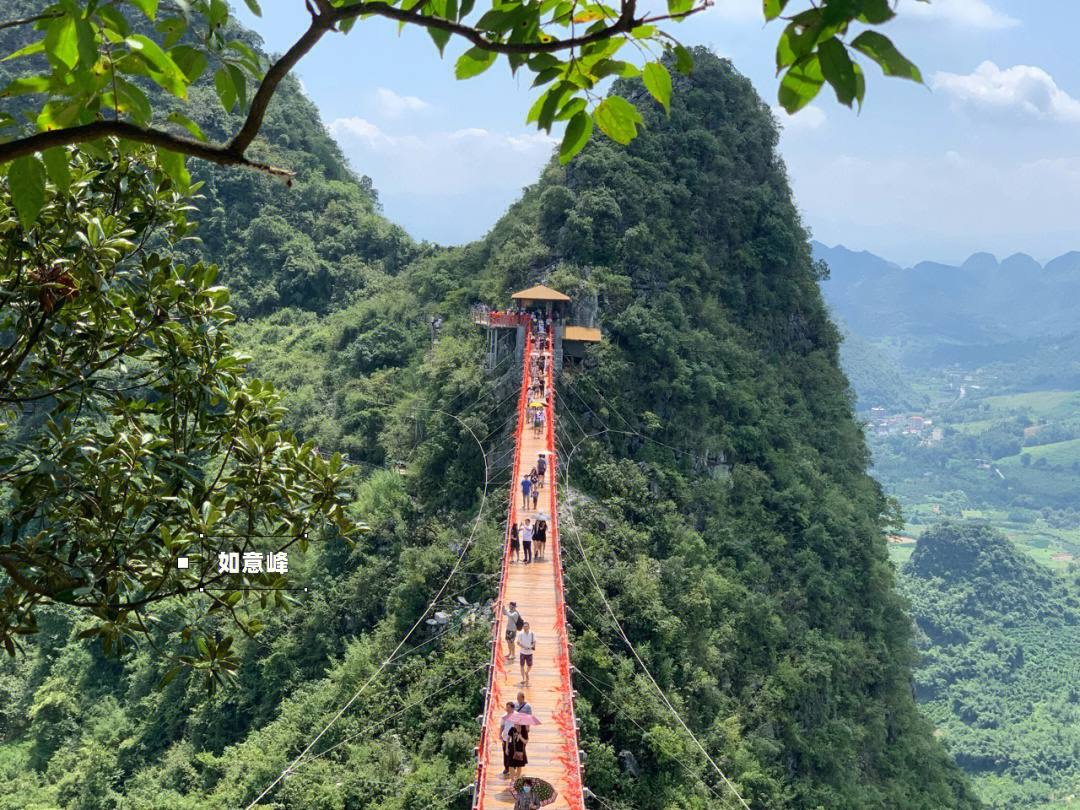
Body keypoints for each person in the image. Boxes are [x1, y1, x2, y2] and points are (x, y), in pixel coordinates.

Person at [500, 702, 517, 776]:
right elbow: (502, 726)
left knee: (514, 753)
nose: (507, 709)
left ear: (512, 708)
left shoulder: (517, 716)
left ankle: (513, 766)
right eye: (506, 708)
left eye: (508, 708)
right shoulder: (504, 716)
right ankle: (506, 767)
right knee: (505, 753)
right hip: (505, 738)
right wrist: (500, 734)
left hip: (514, 738)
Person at [517, 621, 536, 685]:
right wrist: (524, 647)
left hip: (530, 652)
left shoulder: (532, 633)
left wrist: (531, 646)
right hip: (522, 652)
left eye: (526, 626)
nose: (525, 628)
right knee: (522, 665)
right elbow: (518, 642)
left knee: (530, 665)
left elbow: (534, 641)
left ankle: (526, 672)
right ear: (522, 627)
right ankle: (523, 678)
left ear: (529, 627)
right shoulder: (521, 634)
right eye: (524, 626)